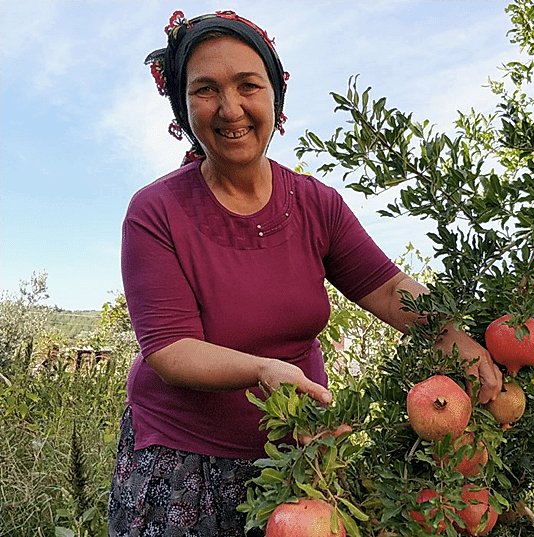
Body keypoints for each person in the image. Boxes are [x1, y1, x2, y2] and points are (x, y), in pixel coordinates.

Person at [108, 10, 502, 537]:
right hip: (184, 466)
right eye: (205, 89)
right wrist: (262, 370)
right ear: (183, 106)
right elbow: (171, 349)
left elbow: (386, 288)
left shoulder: (316, 204)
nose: (230, 108)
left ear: (275, 96)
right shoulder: (155, 212)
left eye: (248, 84)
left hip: (300, 457)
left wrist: (451, 336)